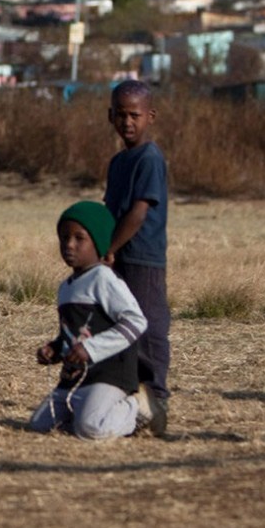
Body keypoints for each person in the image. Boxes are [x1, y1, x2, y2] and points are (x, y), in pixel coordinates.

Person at [29, 202, 147, 440]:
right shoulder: (66, 288)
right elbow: (73, 334)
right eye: (64, 238)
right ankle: (88, 410)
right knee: (40, 426)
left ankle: (135, 410)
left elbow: (136, 322)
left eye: (79, 238)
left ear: (99, 242)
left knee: (90, 429)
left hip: (109, 374)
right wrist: (55, 350)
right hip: (74, 378)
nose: (69, 245)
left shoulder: (103, 278)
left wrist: (91, 349)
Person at [104, 79, 171, 436]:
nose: (127, 122)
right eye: (121, 114)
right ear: (110, 115)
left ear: (150, 116)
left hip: (142, 255)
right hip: (117, 257)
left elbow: (138, 212)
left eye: (135, 115)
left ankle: (155, 399)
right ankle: (129, 397)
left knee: (149, 326)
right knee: (122, 325)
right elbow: (110, 209)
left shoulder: (149, 158)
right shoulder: (119, 161)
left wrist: (111, 247)